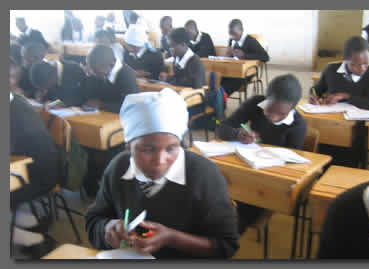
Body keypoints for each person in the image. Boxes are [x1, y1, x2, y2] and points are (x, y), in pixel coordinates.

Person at [85, 88, 240, 259]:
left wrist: (172, 238)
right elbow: (94, 220)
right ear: (128, 147)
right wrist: (107, 228)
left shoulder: (203, 175)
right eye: (148, 149)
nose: (160, 160)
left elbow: (226, 246)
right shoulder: (118, 168)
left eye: (171, 148)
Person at [217, 74, 306, 234]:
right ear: (266, 98)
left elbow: (291, 167)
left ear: (292, 109)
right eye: (269, 110)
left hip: (268, 182)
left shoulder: (298, 126)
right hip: (242, 169)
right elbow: (222, 127)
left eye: (281, 114)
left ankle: (228, 237)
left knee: (240, 210)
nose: (273, 117)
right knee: (215, 194)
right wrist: (238, 134)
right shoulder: (255, 103)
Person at [10, 58, 59, 258]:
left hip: (38, 175)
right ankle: (25, 225)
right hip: (22, 168)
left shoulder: (18, 111)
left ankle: (26, 236)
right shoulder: (14, 101)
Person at [310, 36, 369, 112]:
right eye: (355, 64)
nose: (362, 68)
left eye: (366, 63)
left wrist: (346, 96)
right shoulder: (331, 69)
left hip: (359, 119)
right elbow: (316, 90)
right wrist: (313, 97)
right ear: (345, 59)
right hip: (333, 117)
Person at [84, 44, 139, 113]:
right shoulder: (98, 71)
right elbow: (91, 96)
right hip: (100, 115)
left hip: (120, 119)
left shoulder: (127, 75)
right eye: (91, 69)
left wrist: (102, 105)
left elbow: (130, 107)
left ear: (111, 65)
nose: (93, 73)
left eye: (96, 71)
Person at [221, 19, 269, 96]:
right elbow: (231, 56)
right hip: (233, 69)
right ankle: (220, 98)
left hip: (247, 71)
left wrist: (245, 55)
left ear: (241, 30)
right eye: (230, 34)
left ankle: (220, 97)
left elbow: (265, 57)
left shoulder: (250, 41)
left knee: (230, 83)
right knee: (219, 77)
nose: (232, 36)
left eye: (234, 34)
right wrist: (228, 54)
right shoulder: (231, 40)